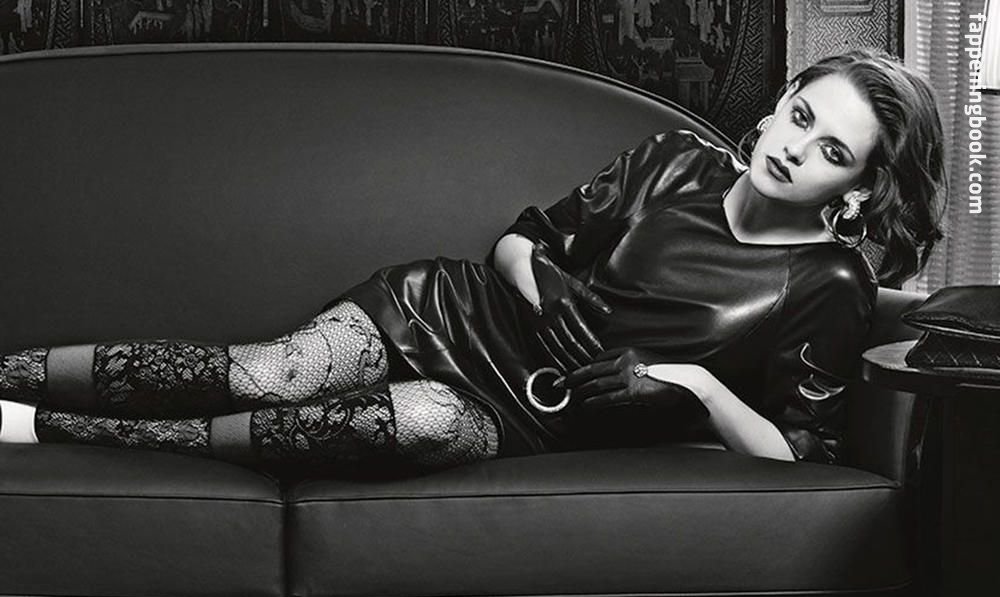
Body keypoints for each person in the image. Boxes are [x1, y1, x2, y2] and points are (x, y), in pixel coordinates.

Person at [0, 49, 946, 472]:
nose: (795, 148)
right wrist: (546, 288)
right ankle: (8, 379)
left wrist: (692, 385)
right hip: (453, 313)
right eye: (801, 116)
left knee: (403, 427)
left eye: (832, 151)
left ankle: (47, 431)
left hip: (538, 418)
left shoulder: (831, 283)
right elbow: (520, 238)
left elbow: (802, 451)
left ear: (860, 188)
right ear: (781, 100)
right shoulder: (678, 161)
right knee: (268, 375)